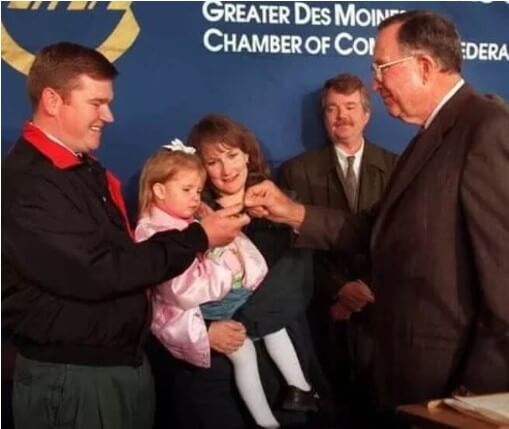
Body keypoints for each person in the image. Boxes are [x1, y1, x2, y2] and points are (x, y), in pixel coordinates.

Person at [245, 9, 509, 418]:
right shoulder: (426, 139)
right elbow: (375, 228)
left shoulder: (485, 129)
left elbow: (504, 281)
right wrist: (291, 212)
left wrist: (476, 396)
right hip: (409, 377)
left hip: (453, 390)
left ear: (423, 65)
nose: (375, 82)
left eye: (381, 67)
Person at [1, 42, 248, 429]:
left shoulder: (81, 170)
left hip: (117, 368)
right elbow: (99, 270)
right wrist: (197, 238)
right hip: (76, 379)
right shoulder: (30, 182)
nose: (109, 116)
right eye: (96, 103)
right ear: (52, 99)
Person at [152, 114, 329, 429]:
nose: (226, 169)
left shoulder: (285, 206)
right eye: (213, 162)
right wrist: (205, 331)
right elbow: (166, 291)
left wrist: (238, 323)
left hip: (279, 370)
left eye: (232, 155)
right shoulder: (187, 219)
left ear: (247, 153)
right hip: (214, 371)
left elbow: (294, 285)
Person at [278, 73, 397, 426]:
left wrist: (368, 286)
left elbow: (404, 241)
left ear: (367, 114)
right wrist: (339, 290)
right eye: (332, 109)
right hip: (322, 313)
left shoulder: (397, 168)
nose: (341, 116)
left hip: (381, 315)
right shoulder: (295, 172)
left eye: (350, 107)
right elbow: (290, 246)